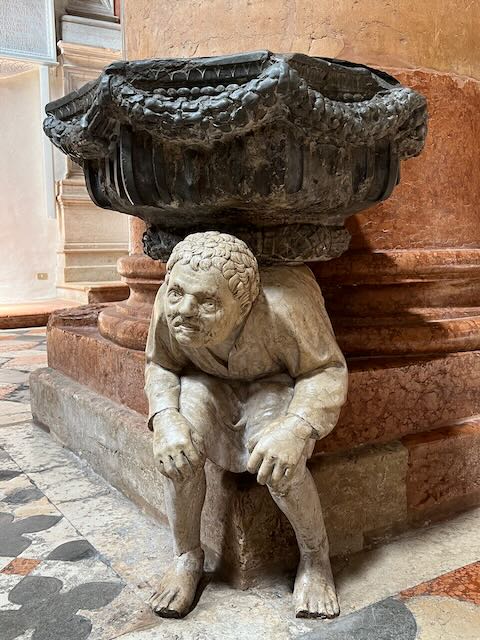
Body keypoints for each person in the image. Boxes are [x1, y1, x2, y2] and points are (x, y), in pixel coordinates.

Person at [144, 231, 348, 619]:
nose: (184, 310)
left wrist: (296, 428)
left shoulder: (285, 304)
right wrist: (166, 417)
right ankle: (186, 556)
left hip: (271, 384)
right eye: (177, 293)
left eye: (207, 302)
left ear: (244, 305)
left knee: (280, 462)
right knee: (178, 451)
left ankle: (315, 557)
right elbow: (161, 364)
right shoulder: (170, 301)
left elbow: (325, 370)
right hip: (205, 382)